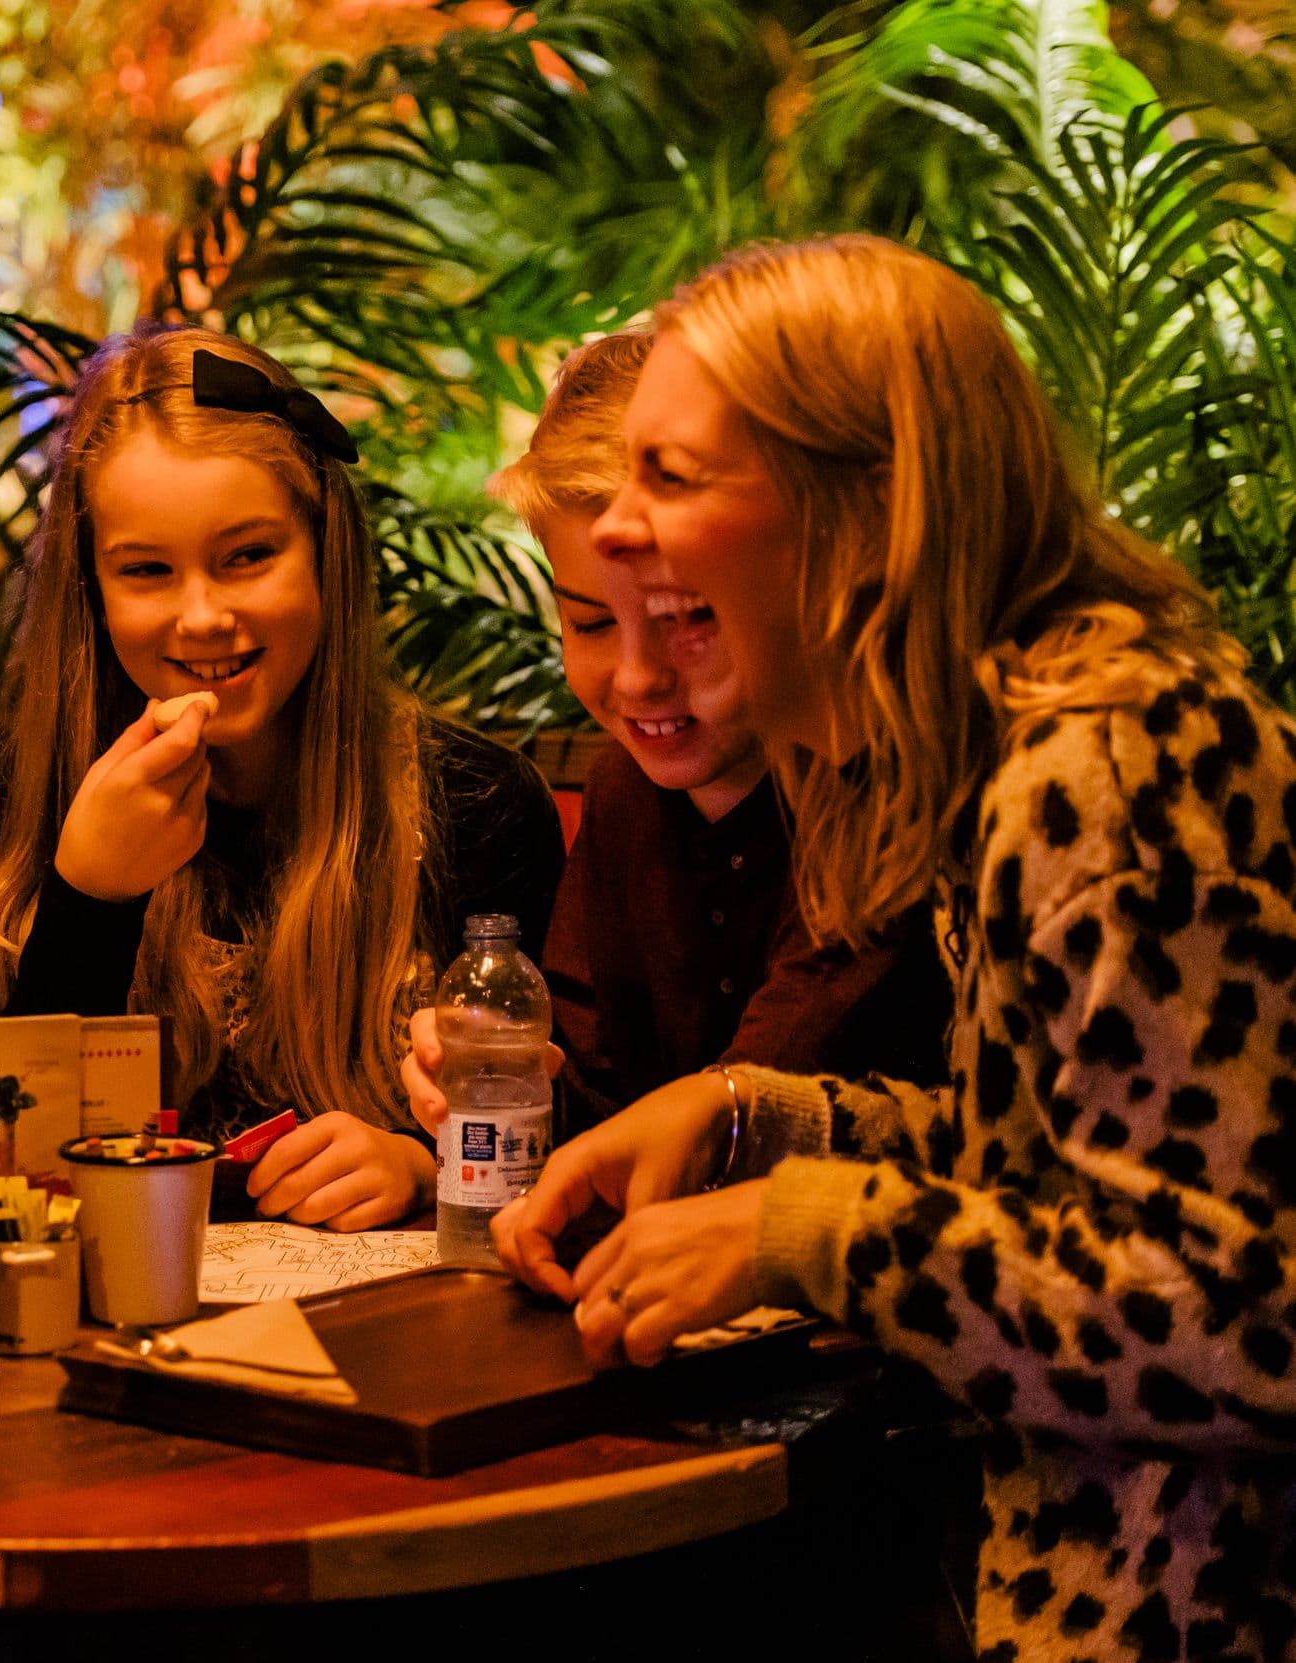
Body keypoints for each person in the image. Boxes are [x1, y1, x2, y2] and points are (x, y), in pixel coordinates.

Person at [493, 235, 1296, 1659]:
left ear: (860, 507)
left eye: (670, 479)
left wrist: (804, 1231)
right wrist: (751, 1120)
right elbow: (1046, 1160)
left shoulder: (1107, 766)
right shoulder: (998, 744)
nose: (617, 530)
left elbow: (1236, 1309)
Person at [0, 323, 564, 1232]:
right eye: (148, 571)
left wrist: (417, 1160)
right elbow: (19, 1166)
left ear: (324, 554)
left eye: (247, 556)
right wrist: (90, 896)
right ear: (93, 592)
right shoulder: (67, 792)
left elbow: (562, 1124)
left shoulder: (476, 802)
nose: (203, 615)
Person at [401, 329, 948, 1139]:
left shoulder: (874, 789)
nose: (636, 677)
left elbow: (745, 1110)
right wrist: (479, 1100)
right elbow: (593, 1092)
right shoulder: (629, 785)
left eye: (688, 617)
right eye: (588, 622)